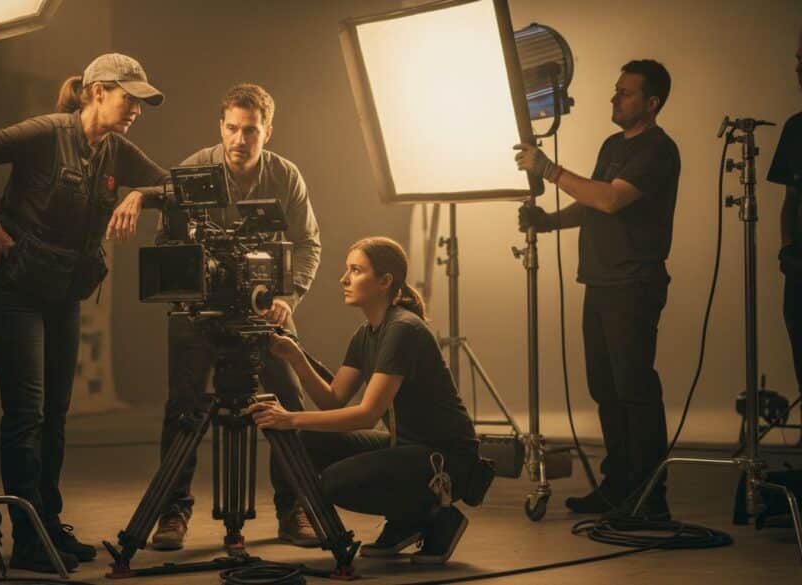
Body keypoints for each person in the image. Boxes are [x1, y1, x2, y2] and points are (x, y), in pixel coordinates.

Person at [0, 53, 168, 573]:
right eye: (127, 96)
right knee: (27, 413)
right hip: (14, 290)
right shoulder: (47, 132)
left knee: (55, 417)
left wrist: (138, 192)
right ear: (97, 92)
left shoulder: (115, 150)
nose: (135, 107)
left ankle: (48, 523)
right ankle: (28, 538)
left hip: (62, 294)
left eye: (139, 100)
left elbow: (176, 187)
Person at [121, 83, 322, 550]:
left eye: (250, 130)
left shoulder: (286, 176)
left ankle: (293, 509)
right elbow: (169, 244)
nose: (239, 139)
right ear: (221, 126)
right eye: (231, 128)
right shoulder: (193, 169)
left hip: (263, 306)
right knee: (183, 408)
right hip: (200, 310)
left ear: (267, 132)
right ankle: (172, 513)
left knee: (286, 402)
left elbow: (309, 243)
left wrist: (289, 296)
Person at [244, 237, 484, 564]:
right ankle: (409, 518)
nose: (344, 280)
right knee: (304, 440)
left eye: (355, 271)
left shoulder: (403, 329)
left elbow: (367, 414)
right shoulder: (367, 332)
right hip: (405, 446)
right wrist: (295, 358)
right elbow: (332, 400)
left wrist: (289, 417)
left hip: (447, 458)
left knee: (334, 482)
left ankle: (430, 515)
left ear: (385, 282)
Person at [513, 59, 680, 518]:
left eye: (626, 93)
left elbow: (609, 198)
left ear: (651, 103)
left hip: (633, 283)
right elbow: (591, 201)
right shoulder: (612, 144)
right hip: (602, 281)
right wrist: (548, 223)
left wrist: (549, 171)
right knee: (605, 388)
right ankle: (618, 484)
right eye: (615, 89)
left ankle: (649, 497)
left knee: (634, 389)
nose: (614, 98)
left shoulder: (658, 150)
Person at [767, 27, 802, 424]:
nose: (797, 68)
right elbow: (790, 201)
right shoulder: (795, 129)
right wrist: (786, 249)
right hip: (798, 272)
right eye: (796, 59)